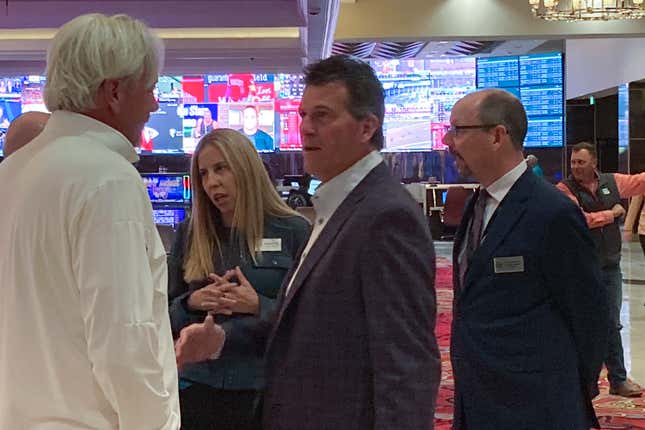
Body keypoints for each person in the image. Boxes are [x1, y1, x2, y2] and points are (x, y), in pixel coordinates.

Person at [175, 54, 441, 430]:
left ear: (367, 127)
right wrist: (218, 339)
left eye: (323, 116)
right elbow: (305, 329)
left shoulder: (385, 216)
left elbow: (405, 365)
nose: (305, 128)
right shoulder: (336, 207)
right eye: (302, 115)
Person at [0, 13, 180, 429]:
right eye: (150, 88)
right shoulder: (108, 177)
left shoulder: (10, 174)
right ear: (113, 91)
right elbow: (124, 342)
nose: (155, 104)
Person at [445, 89, 608, 429]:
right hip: (478, 397)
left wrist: (570, 389)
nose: (448, 140)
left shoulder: (552, 212)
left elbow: (589, 313)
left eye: (459, 129)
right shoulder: (479, 203)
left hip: (536, 405)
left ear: (497, 135)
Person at [168, 128, 310, 429]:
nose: (212, 182)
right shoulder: (191, 233)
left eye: (221, 168)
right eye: (204, 174)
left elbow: (311, 324)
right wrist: (192, 302)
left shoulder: (294, 231)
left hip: (265, 388)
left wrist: (259, 305)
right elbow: (160, 316)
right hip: (196, 389)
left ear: (246, 168)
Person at [556, 141, 645, 397]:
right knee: (585, 323)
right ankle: (585, 380)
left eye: (581, 162)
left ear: (593, 162)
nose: (576, 167)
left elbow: (639, 181)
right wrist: (613, 213)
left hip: (610, 266)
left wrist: (612, 212)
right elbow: (579, 220)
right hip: (581, 268)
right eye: (573, 162)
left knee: (611, 322)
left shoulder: (612, 181)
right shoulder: (564, 189)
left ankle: (617, 379)